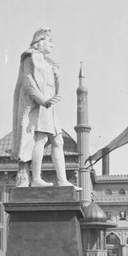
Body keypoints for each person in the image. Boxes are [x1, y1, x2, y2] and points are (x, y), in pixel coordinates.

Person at [11, 28, 81, 189]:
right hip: (39, 106)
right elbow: (28, 84)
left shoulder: (48, 63)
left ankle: (62, 180)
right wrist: (43, 101)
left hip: (50, 107)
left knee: (58, 141)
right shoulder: (30, 57)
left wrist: (56, 80)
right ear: (40, 42)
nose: (52, 45)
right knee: (41, 139)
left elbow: (51, 86)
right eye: (49, 41)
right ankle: (36, 178)